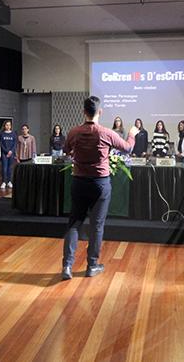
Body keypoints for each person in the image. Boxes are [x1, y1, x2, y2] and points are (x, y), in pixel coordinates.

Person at [62, 96, 138, 280]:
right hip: (100, 184)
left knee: (74, 223)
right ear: (100, 112)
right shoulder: (106, 133)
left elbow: (66, 150)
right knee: (97, 226)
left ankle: (67, 267)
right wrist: (132, 134)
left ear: (83, 112)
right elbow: (127, 148)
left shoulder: (74, 132)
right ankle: (92, 266)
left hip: (79, 181)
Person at [0, 120, 18, 189]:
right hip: (4, 153)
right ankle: (4, 182)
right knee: (4, 168)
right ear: (4, 126)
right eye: (6, 125)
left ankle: (9, 181)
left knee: (10, 168)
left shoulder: (13, 133)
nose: (8, 126)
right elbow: (1, 144)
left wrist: (11, 151)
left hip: (11, 154)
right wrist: (6, 151)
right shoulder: (1, 133)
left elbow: (15, 144)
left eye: (9, 125)